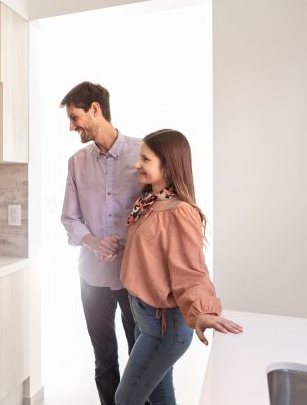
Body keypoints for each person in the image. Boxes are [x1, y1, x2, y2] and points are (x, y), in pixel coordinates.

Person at [115, 129, 243, 405]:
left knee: (125, 398)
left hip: (164, 326)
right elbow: (155, 254)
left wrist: (203, 312)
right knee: (160, 395)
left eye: (145, 159)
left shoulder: (179, 212)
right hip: (144, 317)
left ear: (168, 166)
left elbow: (191, 272)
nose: (137, 164)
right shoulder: (149, 203)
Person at [60, 81, 142, 405]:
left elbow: (156, 210)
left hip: (132, 276)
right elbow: (69, 218)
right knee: (104, 358)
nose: (71, 126)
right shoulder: (76, 162)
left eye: (74, 117)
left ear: (95, 109)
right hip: (91, 278)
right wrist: (94, 243)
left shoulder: (142, 153)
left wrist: (126, 241)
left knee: (140, 357)